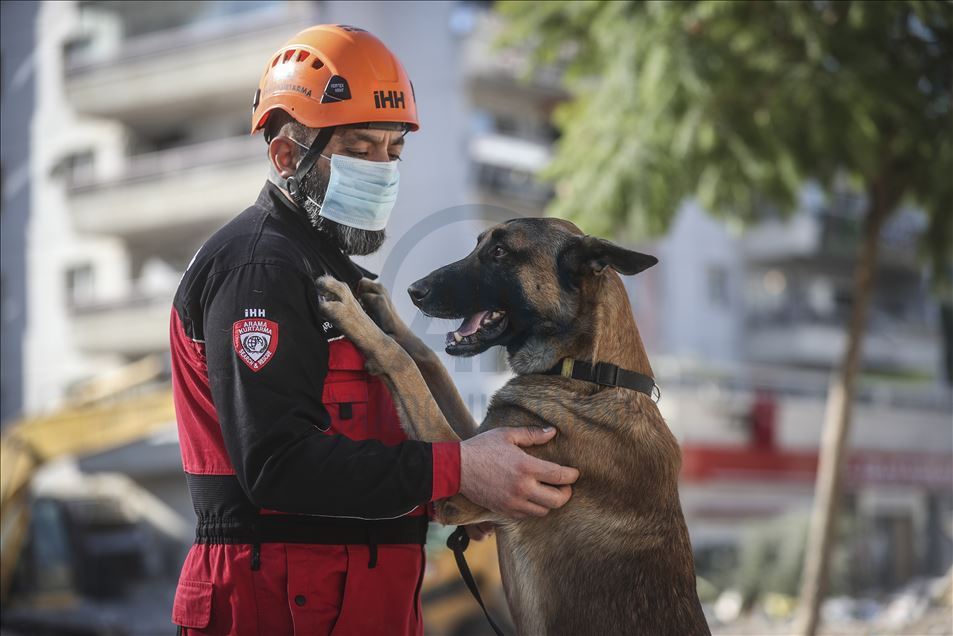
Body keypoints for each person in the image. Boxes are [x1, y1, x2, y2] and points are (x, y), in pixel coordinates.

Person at [169, 24, 579, 635]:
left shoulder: (334, 271)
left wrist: (468, 488)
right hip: (274, 604)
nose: (383, 171)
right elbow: (277, 465)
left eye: (393, 151)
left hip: (363, 600)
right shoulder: (261, 270)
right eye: (360, 151)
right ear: (287, 156)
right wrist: (459, 470)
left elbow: (381, 437)